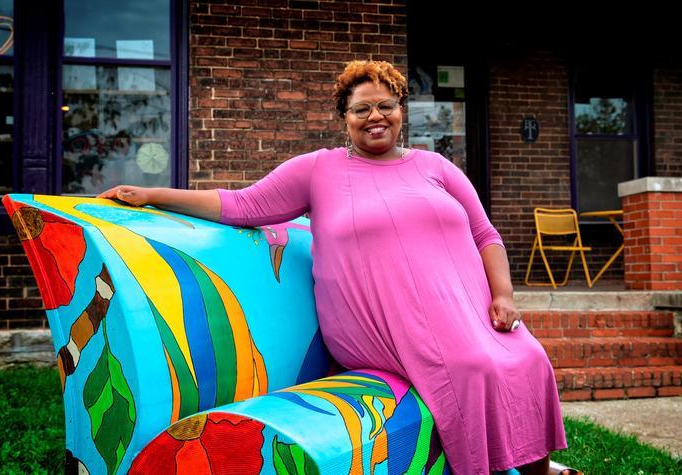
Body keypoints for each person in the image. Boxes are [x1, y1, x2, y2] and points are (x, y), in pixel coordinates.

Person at [98, 60, 567, 474]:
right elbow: (242, 204)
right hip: (382, 319)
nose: (374, 117)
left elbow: (486, 235)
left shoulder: (437, 167)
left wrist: (503, 294)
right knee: (471, 367)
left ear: (402, 110)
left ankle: (536, 467)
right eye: (361, 109)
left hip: (465, 311)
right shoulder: (318, 170)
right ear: (344, 117)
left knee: (529, 359)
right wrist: (153, 194)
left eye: (385, 105)